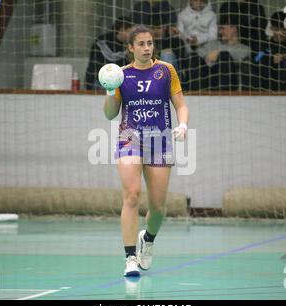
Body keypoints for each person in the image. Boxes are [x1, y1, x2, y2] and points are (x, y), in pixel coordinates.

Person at [102, 25, 189, 277]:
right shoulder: (121, 75)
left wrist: (182, 124)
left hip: (160, 139)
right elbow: (110, 114)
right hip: (130, 138)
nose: (146, 48)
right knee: (131, 195)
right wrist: (110, 89)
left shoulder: (166, 70)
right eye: (140, 44)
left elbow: (181, 105)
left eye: (149, 43)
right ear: (131, 47)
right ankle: (130, 257)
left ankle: (147, 240)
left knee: (158, 207)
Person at [254, 11, 286, 91]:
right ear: (271, 29)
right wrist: (271, 59)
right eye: (277, 29)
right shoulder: (264, 45)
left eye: (284, 29)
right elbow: (256, 60)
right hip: (269, 85)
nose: (281, 33)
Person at [196, 14, 251, 90]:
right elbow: (198, 52)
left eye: (223, 28)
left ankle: (223, 93)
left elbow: (239, 57)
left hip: (230, 83)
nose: (220, 31)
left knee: (224, 56)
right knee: (194, 58)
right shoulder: (214, 44)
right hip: (209, 81)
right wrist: (206, 56)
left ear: (234, 28)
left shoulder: (244, 49)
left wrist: (218, 52)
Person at [85, 16, 133, 90]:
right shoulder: (102, 42)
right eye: (129, 32)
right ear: (121, 30)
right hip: (97, 81)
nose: (131, 35)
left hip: (116, 82)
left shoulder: (126, 45)